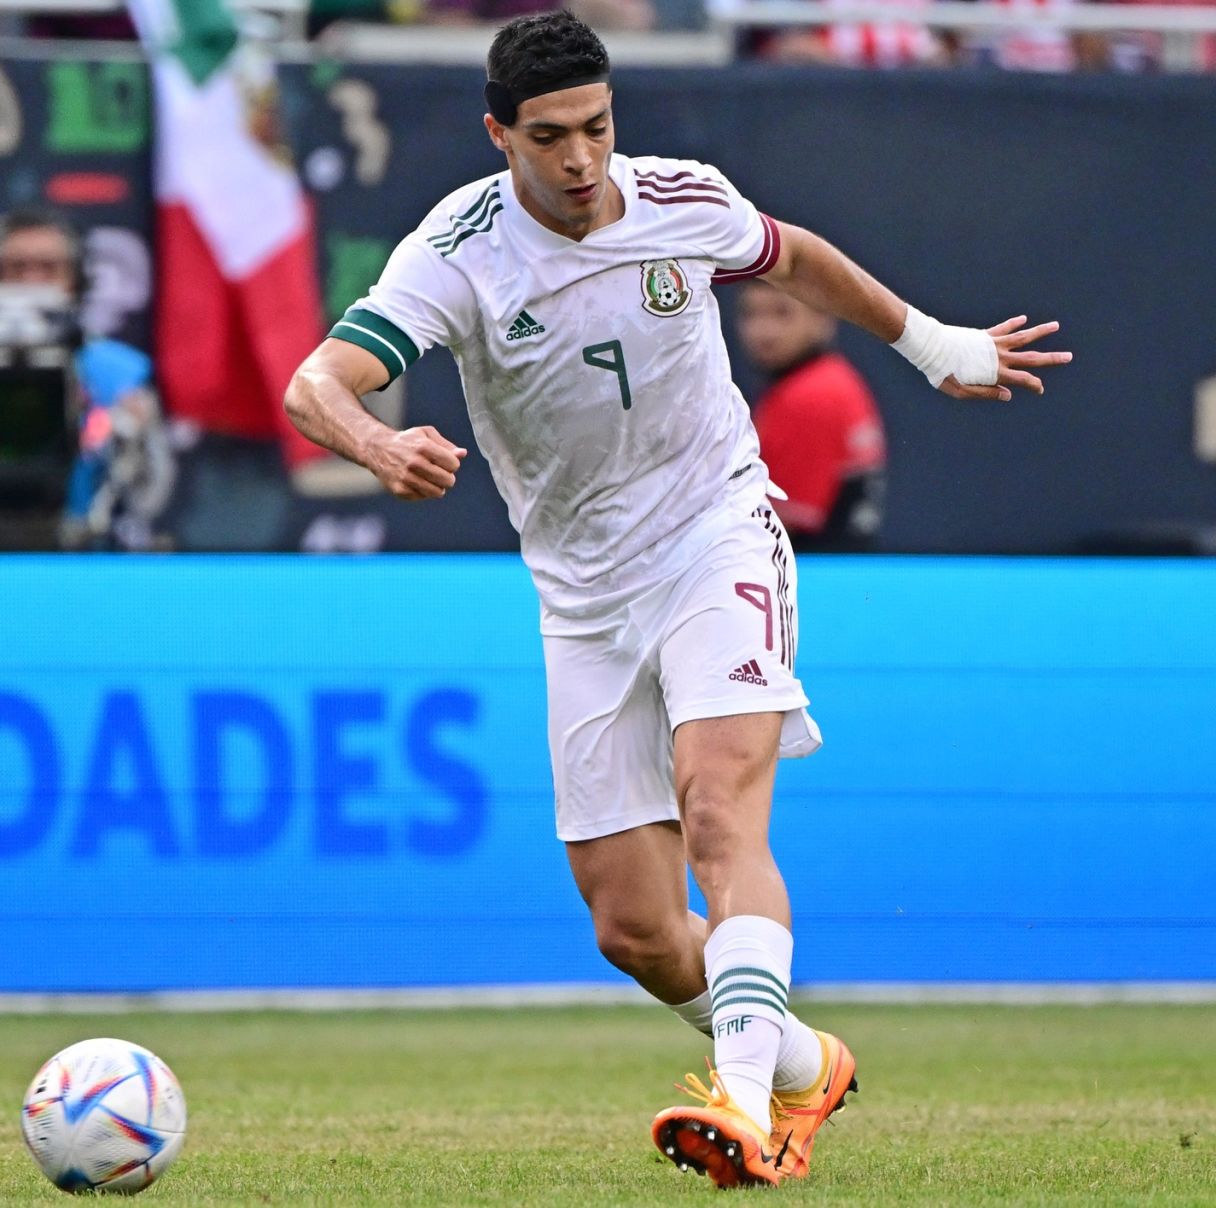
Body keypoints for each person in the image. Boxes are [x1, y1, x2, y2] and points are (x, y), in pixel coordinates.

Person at [284, 11, 1070, 1187]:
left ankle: (745, 1106)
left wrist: (932, 344)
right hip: (582, 594)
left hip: (716, 535)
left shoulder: (679, 197)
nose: (581, 161)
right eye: (548, 137)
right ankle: (802, 1059)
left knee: (720, 816)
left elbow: (794, 256)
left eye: (597, 127)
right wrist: (372, 442)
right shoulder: (456, 252)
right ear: (498, 133)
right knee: (636, 930)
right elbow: (316, 382)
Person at [0, 208, 174, 549]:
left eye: (49, 268)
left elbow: (151, 498)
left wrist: (131, 440)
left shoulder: (117, 372)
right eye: (16, 268)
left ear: (77, 279)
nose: (32, 282)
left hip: (76, 550)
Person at [736, 280, 886, 551]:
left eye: (782, 313)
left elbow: (779, 524)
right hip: (840, 569)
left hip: (810, 575)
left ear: (823, 317)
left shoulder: (810, 395)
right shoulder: (836, 379)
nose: (763, 330)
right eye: (750, 314)